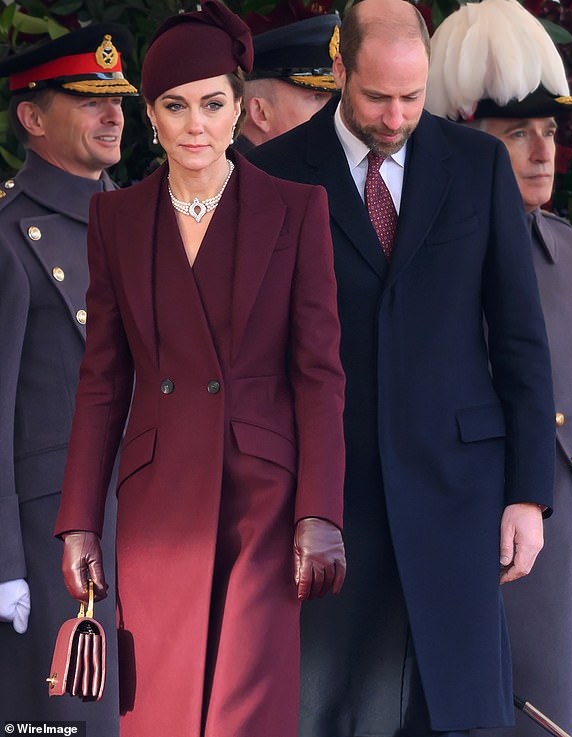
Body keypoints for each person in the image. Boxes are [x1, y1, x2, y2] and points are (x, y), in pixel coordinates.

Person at [249, 0, 555, 734]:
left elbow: (519, 338)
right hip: (331, 500)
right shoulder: (273, 173)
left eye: (412, 98)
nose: (395, 117)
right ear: (338, 70)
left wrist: (527, 494)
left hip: (461, 497)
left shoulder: (477, 163)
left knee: (458, 710)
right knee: (337, 711)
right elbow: (257, 359)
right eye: (376, 97)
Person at [54, 2, 346, 736]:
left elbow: (319, 374)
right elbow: (102, 380)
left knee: (246, 711)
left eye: (213, 103)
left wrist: (320, 509)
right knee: (163, 713)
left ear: (240, 106)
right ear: (151, 115)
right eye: (175, 106)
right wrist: (80, 521)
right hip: (156, 510)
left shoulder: (297, 209)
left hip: (265, 506)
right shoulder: (115, 221)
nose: (195, 124)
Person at [425, 1, 572, 735]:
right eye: (517, 134)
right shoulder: (436, 258)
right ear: (465, 141)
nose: (542, 151)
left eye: (549, 132)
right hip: (490, 528)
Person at [0, 24, 137, 733]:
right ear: (31, 117)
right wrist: (2, 561)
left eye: (116, 99)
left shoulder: (153, 221)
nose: (114, 115)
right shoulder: (8, 237)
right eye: (89, 101)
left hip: (156, 530)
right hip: (61, 546)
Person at [233, 13, 340, 152]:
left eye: (333, 98)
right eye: (316, 97)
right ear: (261, 112)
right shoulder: (230, 172)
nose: (335, 110)